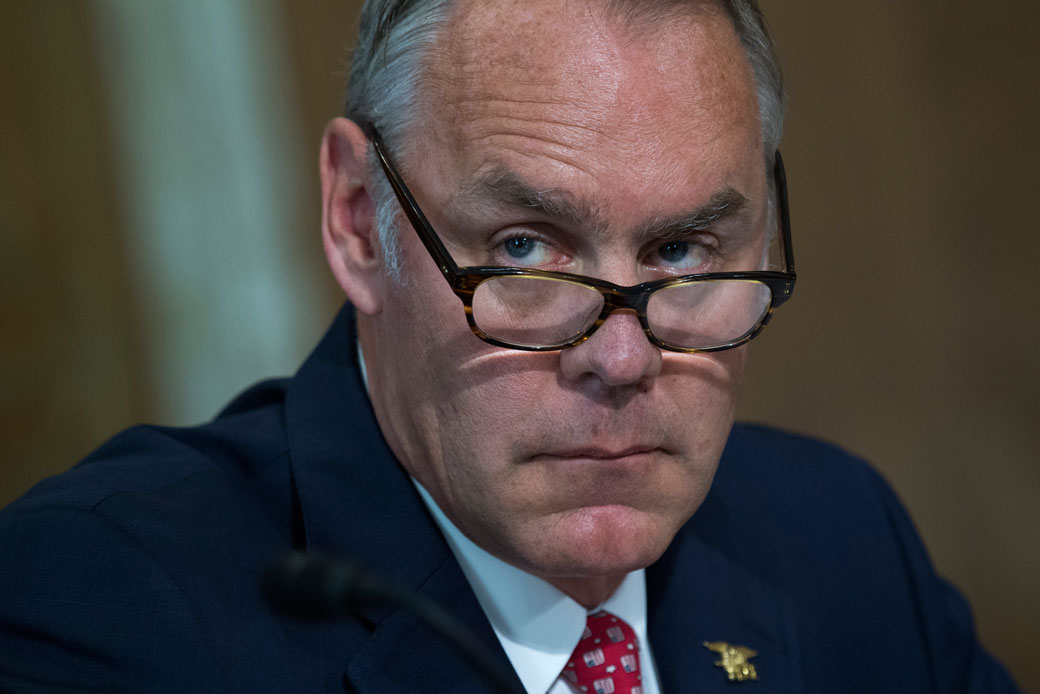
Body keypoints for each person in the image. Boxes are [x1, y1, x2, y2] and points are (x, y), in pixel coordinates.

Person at [0, 0, 1020, 692]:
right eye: (523, 247)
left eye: (678, 249)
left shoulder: (842, 545)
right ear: (360, 220)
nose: (619, 360)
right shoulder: (109, 606)